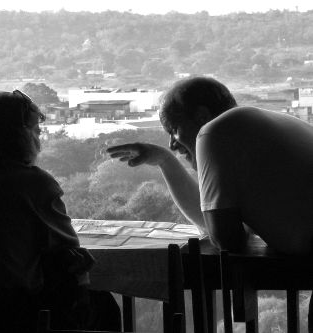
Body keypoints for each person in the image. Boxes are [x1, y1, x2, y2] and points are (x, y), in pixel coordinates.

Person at [107, 76, 313, 329]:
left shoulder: (215, 132)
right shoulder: (258, 124)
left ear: (202, 116)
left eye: (173, 129)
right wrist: (164, 161)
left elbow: (227, 240)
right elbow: (215, 224)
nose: (172, 144)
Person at [0, 90, 120, 333]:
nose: (39, 137)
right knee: (105, 307)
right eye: (36, 130)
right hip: (18, 314)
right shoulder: (33, 184)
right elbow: (69, 255)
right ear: (21, 135)